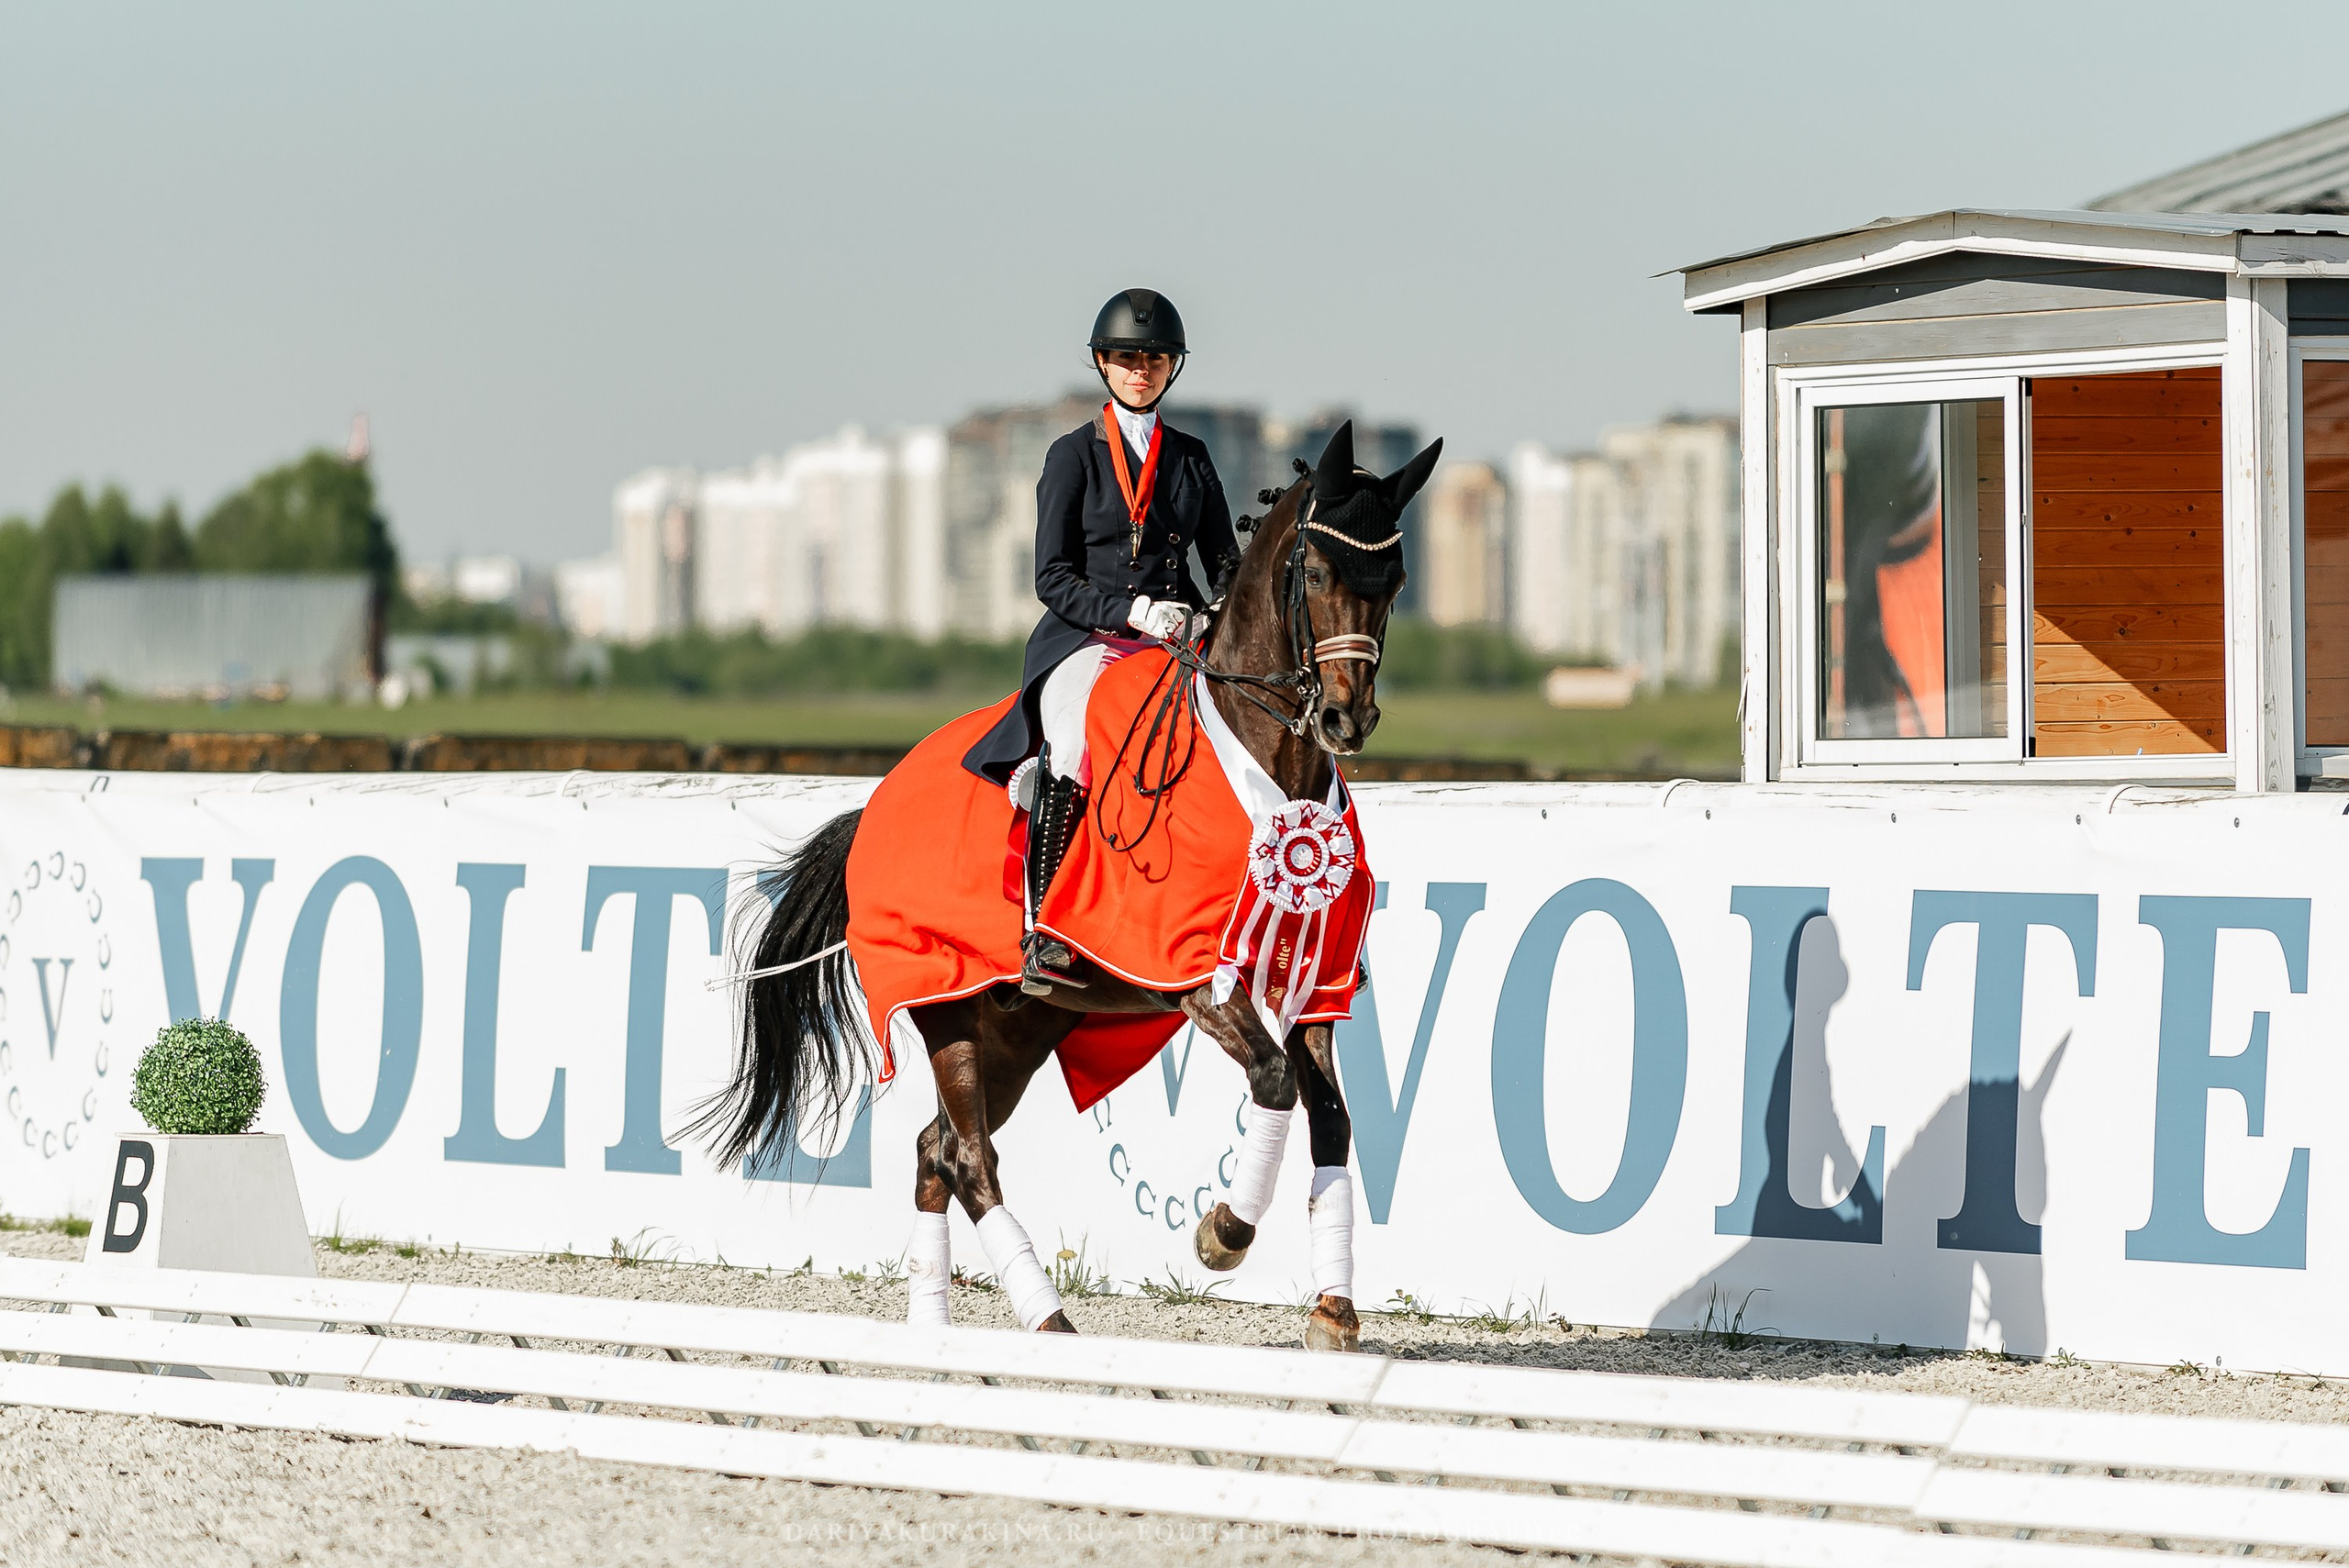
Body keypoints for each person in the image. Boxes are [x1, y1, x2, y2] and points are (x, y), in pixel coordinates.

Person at [962, 287, 1241, 995]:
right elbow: (1051, 577)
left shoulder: (1193, 457)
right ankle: (1045, 925)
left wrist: (1219, 611)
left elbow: (1225, 561)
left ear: (1171, 367)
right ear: (1102, 364)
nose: (1139, 369)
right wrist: (1133, 611)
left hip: (1177, 644)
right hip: (1087, 638)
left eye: (1153, 358)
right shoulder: (1070, 457)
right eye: (1126, 358)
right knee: (1079, 735)